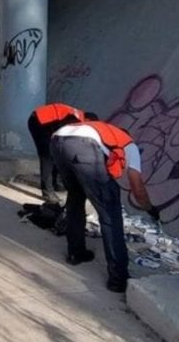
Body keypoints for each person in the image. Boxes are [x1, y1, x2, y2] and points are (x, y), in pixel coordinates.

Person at [49, 120, 159, 293]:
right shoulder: (129, 146)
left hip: (57, 141)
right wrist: (149, 208)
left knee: (76, 197)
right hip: (83, 145)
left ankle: (75, 253)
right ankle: (118, 279)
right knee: (110, 214)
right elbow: (137, 187)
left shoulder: (105, 133)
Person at [27, 103, 97, 204]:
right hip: (39, 122)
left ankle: (54, 183)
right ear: (88, 120)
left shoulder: (76, 115)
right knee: (47, 158)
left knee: (55, 154)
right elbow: (64, 136)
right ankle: (48, 191)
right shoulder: (74, 119)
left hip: (44, 122)